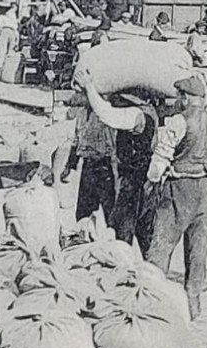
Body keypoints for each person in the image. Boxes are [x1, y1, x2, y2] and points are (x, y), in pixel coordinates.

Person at [145, 73, 207, 320]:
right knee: (198, 251)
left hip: (179, 188)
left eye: (178, 97)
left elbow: (160, 158)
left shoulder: (178, 122)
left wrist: (151, 181)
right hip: (205, 190)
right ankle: (193, 304)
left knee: (161, 246)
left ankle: (153, 302)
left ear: (185, 99)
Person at [78, 76, 160, 252]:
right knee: (145, 233)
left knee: (123, 232)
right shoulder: (150, 112)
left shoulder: (136, 115)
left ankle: (126, 271)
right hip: (144, 180)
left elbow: (107, 115)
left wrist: (90, 87)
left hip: (134, 182)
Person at [60, 91, 118, 225]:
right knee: (83, 211)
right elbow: (76, 141)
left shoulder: (104, 114)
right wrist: (69, 166)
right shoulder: (81, 115)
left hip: (104, 165)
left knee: (110, 210)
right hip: (88, 165)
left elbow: (114, 143)